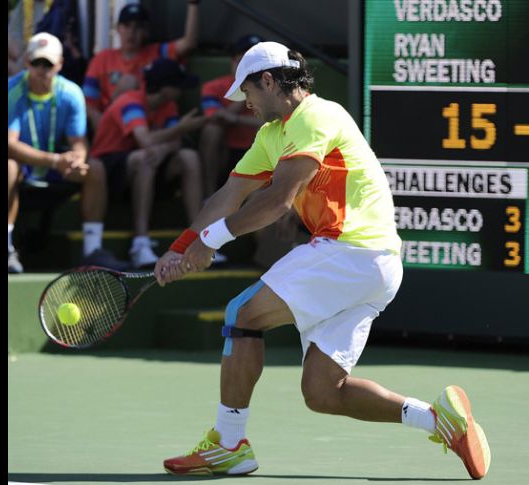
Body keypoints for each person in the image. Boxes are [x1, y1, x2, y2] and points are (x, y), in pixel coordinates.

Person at [154, 42, 492, 479]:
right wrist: (182, 246)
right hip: (374, 267)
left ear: (270, 81)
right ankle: (442, 421)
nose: (247, 104)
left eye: (249, 93)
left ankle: (228, 442)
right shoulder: (270, 135)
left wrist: (211, 241)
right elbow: (229, 194)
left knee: (241, 313)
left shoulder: (317, 115)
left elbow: (279, 200)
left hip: (353, 251)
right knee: (323, 393)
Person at [8, 32, 128, 273]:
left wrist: (77, 160)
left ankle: (92, 250)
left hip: (57, 167)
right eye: (36, 63)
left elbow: (79, 141)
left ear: (60, 65)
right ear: (26, 63)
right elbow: (9, 144)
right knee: (7, 166)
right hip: (25, 165)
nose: (42, 70)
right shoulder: (12, 90)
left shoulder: (71, 93)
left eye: (48, 64)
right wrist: (55, 161)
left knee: (94, 168)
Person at [88, 58, 206, 269]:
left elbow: (174, 142)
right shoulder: (130, 101)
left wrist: (165, 147)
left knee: (189, 157)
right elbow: (145, 140)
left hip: (148, 167)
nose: (181, 91)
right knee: (145, 156)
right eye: (178, 86)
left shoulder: (168, 105)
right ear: (166, 88)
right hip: (110, 171)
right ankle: (139, 242)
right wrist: (179, 129)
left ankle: (198, 238)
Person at [83, 1, 200, 132]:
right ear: (118, 28)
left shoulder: (157, 53)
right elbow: (88, 102)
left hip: (149, 126)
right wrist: (102, 124)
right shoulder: (102, 58)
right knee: (128, 81)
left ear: (146, 31)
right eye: (127, 26)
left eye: (138, 27)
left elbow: (189, 43)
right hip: (113, 126)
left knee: (186, 152)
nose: (131, 32)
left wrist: (193, 4)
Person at [198, 34, 265, 197]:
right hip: (224, 153)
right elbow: (215, 118)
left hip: (259, 153)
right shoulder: (213, 87)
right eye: (243, 61)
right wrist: (246, 89)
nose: (250, 68)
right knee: (212, 130)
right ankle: (208, 196)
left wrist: (236, 119)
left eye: (255, 64)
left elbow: (276, 122)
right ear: (233, 62)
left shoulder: (273, 87)